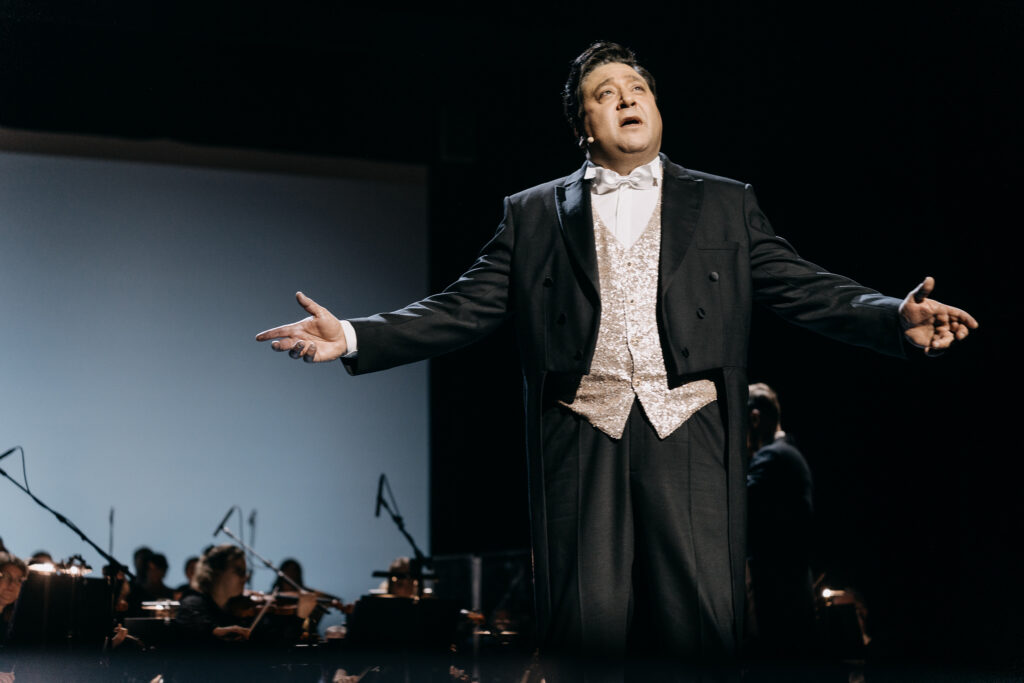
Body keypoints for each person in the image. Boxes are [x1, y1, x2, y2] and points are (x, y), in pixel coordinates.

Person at [255, 41, 977, 677]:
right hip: (580, 434)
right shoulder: (533, 213)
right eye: (605, 93)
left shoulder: (725, 203)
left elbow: (803, 286)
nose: (627, 99)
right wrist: (355, 335)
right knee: (583, 637)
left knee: (702, 635)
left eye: (637, 89)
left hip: (691, 434)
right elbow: (462, 306)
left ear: (656, 106)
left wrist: (892, 316)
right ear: (582, 125)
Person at [744, 383, 816, 663]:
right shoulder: (789, 452)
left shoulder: (772, 457)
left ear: (754, 418)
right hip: (792, 590)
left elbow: (738, 506)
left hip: (778, 594)